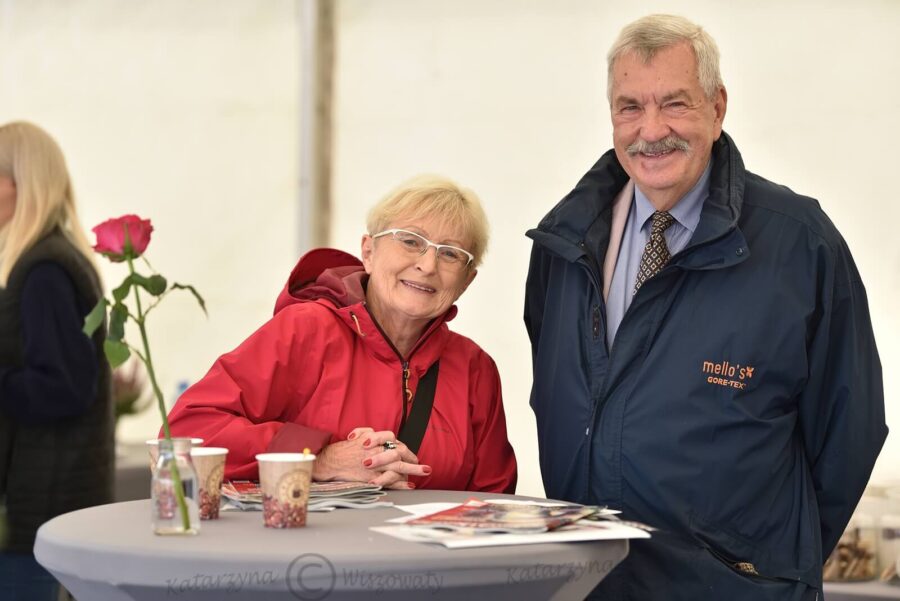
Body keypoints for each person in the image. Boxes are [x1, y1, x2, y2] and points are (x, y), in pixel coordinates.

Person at [524, 14, 886, 601]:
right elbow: (558, 392)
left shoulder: (799, 244)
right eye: (630, 107)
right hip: (592, 585)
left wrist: (767, 563)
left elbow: (850, 429)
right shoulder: (565, 245)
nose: (651, 130)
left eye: (675, 104)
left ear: (717, 109)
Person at [168, 175, 516, 492]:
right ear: (368, 251)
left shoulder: (474, 369)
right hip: (307, 558)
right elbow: (187, 432)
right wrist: (317, 459)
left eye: (451, 254)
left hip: (424, 562)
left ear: (466, 282)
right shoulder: (306, 330)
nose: (427, 265)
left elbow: (494, 503)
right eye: (410, 241)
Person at [0, 121, 114, 600]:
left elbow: (63, 387)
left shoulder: (45, 271)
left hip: (41, 507)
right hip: (43, 501)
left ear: (23, 184)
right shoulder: (45, 260)